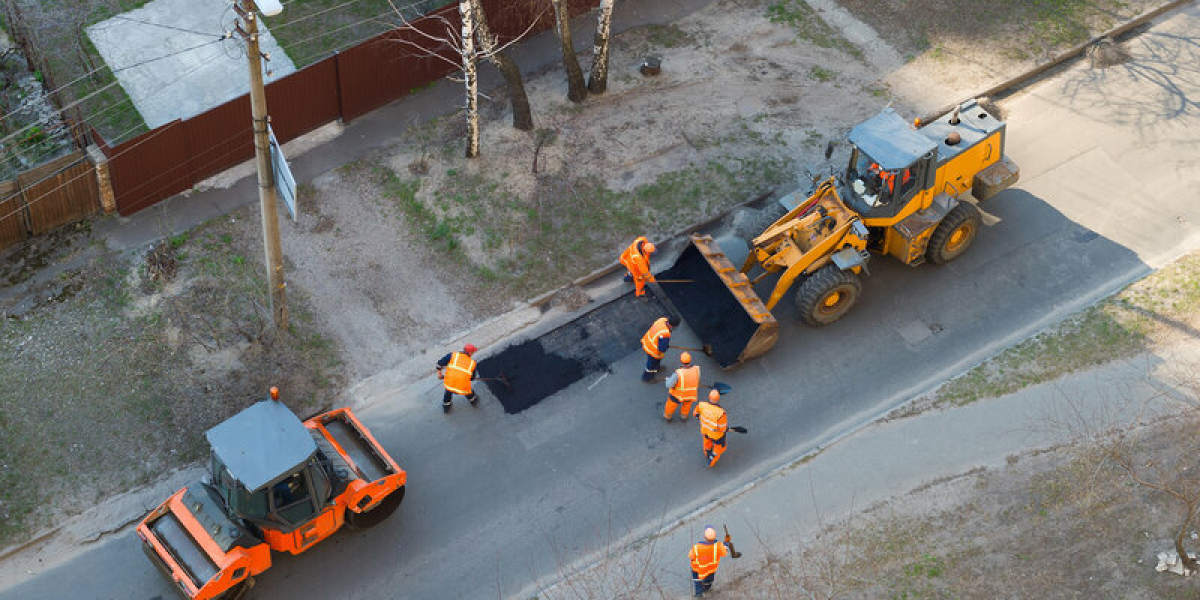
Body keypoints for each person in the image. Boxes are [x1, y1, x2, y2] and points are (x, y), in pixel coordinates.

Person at [436, 343, 479, 413]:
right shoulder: (472, 363)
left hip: (450, 384)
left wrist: (440, 374)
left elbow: (439, 364)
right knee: (469, 391)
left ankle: (446, 407)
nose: (473, 353)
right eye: (473, 352)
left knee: (448, 392)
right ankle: (474, 401)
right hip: (463, 387)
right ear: (470, 353)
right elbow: (472, 378)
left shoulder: (453, 355)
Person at [689, 526, 730, 597]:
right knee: (708, 582)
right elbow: (724, 552)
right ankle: (706, 590)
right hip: (710, 570)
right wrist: (726, 542)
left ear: (704, 537)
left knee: (697, 583)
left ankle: (699, 595)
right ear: (715, 536)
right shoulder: (718, 546)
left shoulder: (696, 547)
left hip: (697, 570)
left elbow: (691, 556)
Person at [693, 389, 728, 468]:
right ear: (718, 399)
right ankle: (711, 461)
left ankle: (707, 453)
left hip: (705, 431)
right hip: (716, 435)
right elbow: (722, 428)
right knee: (718, 449)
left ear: (709, 397)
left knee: (707, 444)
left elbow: (695, 414)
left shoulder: (701, 405)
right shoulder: (721, 413)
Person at [640, 315, 679, 382]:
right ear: (674, 326)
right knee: (650, 365)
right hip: (652, 351)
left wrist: (664, 343)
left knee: (656, 362)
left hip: (648, 341)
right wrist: (665, 345)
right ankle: (647, 378)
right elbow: (662, 349)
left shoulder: (662, 320)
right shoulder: (665, 334)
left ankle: (656, 368)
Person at [663, 351, 699, 422]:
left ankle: (668, 416)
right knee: (686, 406)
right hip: (690, 394)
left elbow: (669, 385)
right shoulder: (696, 370)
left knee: (670, 406)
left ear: (681, 361)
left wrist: (668, 379)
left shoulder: (678, 373)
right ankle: (683, 416)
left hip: (677, 395)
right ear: (690, 360)